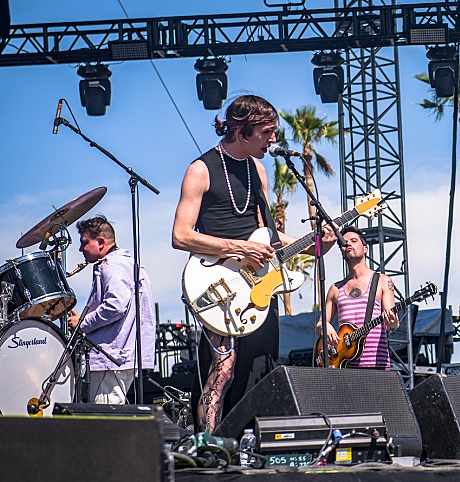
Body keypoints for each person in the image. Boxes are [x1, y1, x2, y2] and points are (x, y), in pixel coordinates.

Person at [172, 94, 335, 434]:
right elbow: (181, 236)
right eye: (267, 132)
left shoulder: (258, 169)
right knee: (222, 371)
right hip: (219, 284)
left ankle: (250, 450)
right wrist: (237, 248)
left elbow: (270, 238)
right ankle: (208, 448)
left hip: (260, 286)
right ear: (243, 131)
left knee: (261, 370)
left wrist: (315, 245)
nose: (273, 139)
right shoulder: (201, 170)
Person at [68, 215, 155, 404]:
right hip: (124, 354)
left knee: (105, 419)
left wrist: (81, 323)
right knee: (113, 415)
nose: (80, 249)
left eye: (84, 242)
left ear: (100, 242)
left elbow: (115, 306)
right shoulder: (129, 264)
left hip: (111, 355)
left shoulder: (111, 265)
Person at [317, 225, 398, 369]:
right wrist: (325, 326)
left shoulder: (383, 281)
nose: (347, 244)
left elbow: (391, 324)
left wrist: (392, 321)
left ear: (365, 248)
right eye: (343, 243)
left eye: (353, 240)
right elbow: (319, 325)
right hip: (345, 366)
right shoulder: (335, 289)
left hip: (377, 366)